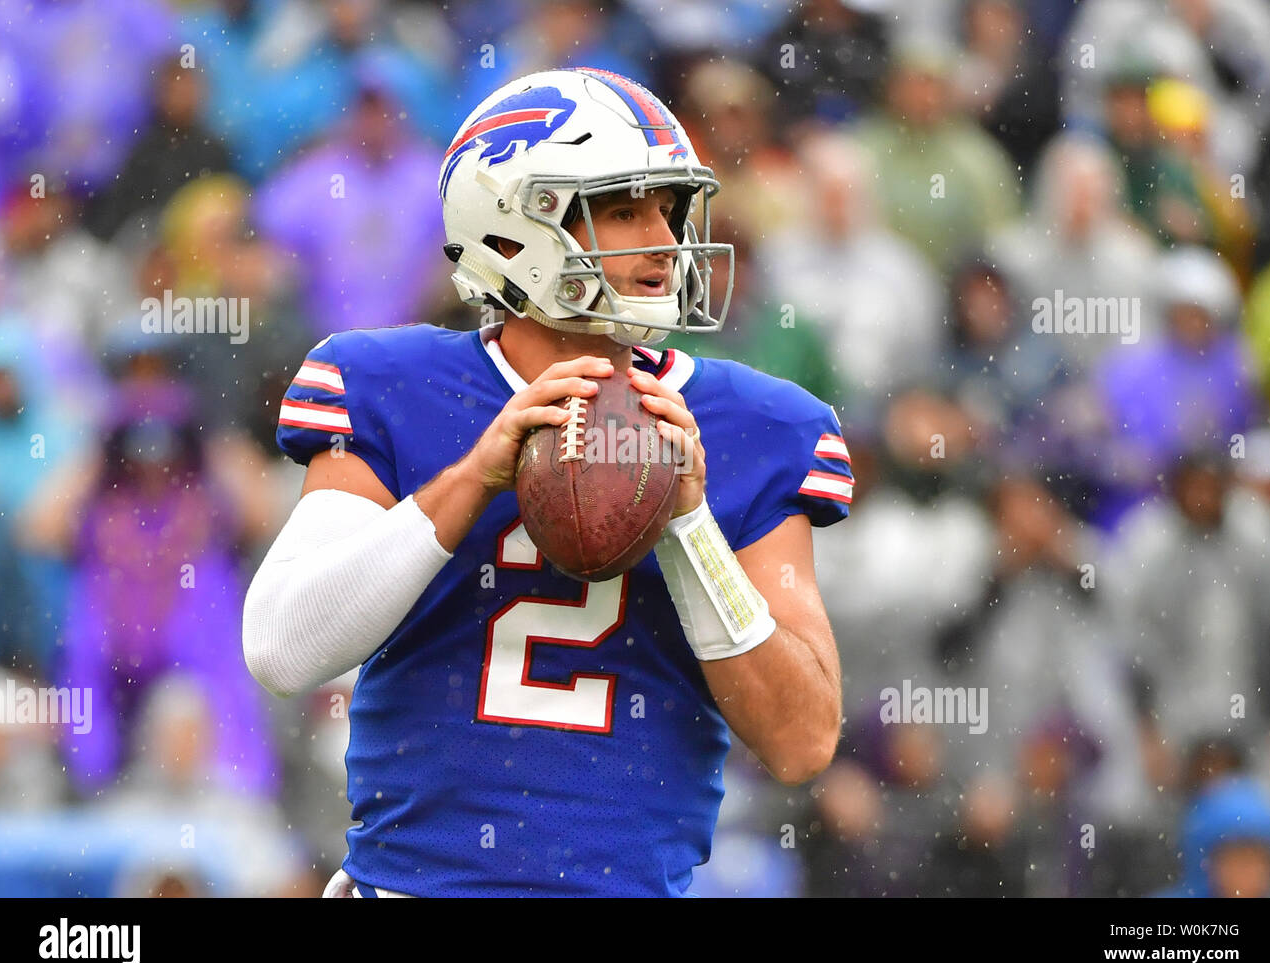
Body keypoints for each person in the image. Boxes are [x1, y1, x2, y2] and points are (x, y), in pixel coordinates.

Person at [242, 67, 854, 897]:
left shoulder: (757, 425)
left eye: (669, 210)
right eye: (625, 209)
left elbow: (802, 739)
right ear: (512, 226)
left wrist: (688, 526)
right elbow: (283, 646)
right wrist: (470, 479)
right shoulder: (391, 382)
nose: (666, 243)